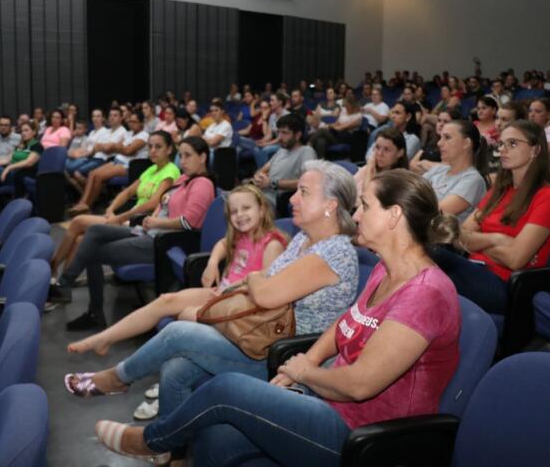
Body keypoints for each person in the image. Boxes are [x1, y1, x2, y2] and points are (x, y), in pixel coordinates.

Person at [92, 169, 461, 467]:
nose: (357, 215)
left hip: (362, 434)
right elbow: (346, 322)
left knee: (226, 389)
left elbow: (360, 385)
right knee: (214, 438)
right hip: (328, 400)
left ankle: (151, 440)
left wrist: (304, 372)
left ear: (394, 215)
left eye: (365, 205)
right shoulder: (386, 269)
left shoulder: (425, 293)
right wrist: (306, 363)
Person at [64, 160, 359, 419]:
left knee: (177, 332)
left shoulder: (334, 253)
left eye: (303, 192)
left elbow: (265, 292)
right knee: (175, 370)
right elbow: (264, 282)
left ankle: (118, 378)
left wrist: (253, 279)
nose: (292, 197)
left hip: (277, 351)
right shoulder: (304, 239)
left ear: (331, 205)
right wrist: (253, 281)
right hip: (260, 329)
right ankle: (169, 448)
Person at [67, 184, 287, 355]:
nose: (240, 215)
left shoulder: (273, 244)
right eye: (234, 212)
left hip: (242, 306)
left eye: (246, 208)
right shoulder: (242, 234)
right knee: (166, 300)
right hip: (223, 295)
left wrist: (229, 290)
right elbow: (223, 243)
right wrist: (212, 263)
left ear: (262, 210)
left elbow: (263, 285)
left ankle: (169, 369)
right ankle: (104, 339)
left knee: (182, 315)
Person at [58, 136, 216, 330]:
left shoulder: (202, 184)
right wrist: (154, 217)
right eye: (181, 156)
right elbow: (163, 204)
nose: (182, 161)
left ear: (203, 157)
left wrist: (156, 221)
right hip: (148, 231)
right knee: (95, 231)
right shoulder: (184, 179)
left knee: (92, 251)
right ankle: (68, 286)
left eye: (188, 156)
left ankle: (72, 291)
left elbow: (188, 222)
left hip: (161, 242)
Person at [433, 120, 550, 314]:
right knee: (426, 256)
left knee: (430, 256)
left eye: (512, 143)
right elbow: (459, 238)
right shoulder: (500, 190)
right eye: (502, 144)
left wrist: (477, 242)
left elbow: (515, 259)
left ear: (535, 150)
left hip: (502, 285)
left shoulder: (549, 198)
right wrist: (498, 239)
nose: (502, 150)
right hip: (473, 267)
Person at [50, 131, 180, 277]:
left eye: (158, 147)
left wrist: (120, 217)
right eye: (150, 147)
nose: (153, 150)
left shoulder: (171, 171)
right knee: (81, 239)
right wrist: (110, 209)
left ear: (169, 149)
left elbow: (153, 204)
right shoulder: (152, 169)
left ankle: (54, 267)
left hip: (140, 224)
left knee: (78, 221)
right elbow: (127, 192)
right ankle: (63, 279)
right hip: (128, 219)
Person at [68, 111, 150, 215]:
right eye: (130, 122)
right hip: (117, 160)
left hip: (129, 165)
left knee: (99, 176)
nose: (131, 124)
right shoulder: (128, 133)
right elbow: (119, 148)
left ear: (142, 123)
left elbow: (128, 151)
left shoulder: (144, 135)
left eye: (135, 122)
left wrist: (118, 147)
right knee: (92, 173)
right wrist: (119, 147)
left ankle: (88, 206)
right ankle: (82, 203)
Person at [423, 120, 489, 222]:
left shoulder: (473, 180)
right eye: (440, 138)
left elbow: (436, 214)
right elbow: (409, 191)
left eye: (447, 137)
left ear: (466, 143)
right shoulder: (437, 169)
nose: (439, 143)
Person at [251, 113, 317, 212]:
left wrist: (272, 183)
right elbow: (262, 170)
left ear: (298, 135)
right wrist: (258, 177)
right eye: (279, 132)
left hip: (275, 200)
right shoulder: (281, 151)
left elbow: (307, 183)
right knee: (229, 197)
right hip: (261, 193)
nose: (280, 137)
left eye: (285, 133)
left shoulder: (306, 151)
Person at [355, 128, 409, 206]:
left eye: (386, 149)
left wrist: (369, 170)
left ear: (400, 153)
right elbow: (348, 190)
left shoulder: (400, 179)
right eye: (377, 147)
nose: (380, 153)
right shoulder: (370, 166)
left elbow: (367, 199)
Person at [410, 108, 462, 174]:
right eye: (439, 121)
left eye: (446, 122)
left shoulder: (455, 146)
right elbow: (412, 164)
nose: (441, 124)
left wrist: (424, 163)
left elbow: (447, 168)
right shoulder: (431, 142)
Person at [0, 120, 44, 198]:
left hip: (20, 173)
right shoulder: (22, 145)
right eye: (22, 131)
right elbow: (8, 159)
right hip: (13, 171)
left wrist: (9, 168)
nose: (23, 133)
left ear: (34, 132)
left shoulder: (37, 145)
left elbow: (29, 162)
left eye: (26, 130)